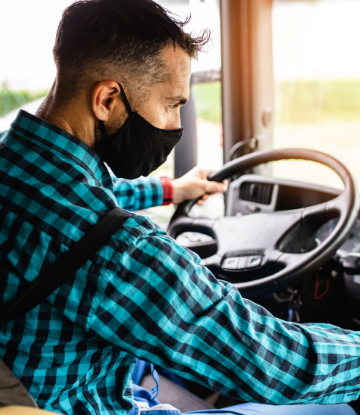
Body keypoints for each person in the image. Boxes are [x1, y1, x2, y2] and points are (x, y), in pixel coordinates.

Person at [0, 1, 359, 414]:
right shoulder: (112, 250)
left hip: (33, 387)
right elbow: (277, 365)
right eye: (171, 105)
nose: (176, 125)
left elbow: (93, 194)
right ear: (107, 99)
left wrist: (175, 189)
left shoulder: (19, 165)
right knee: (329, 409)